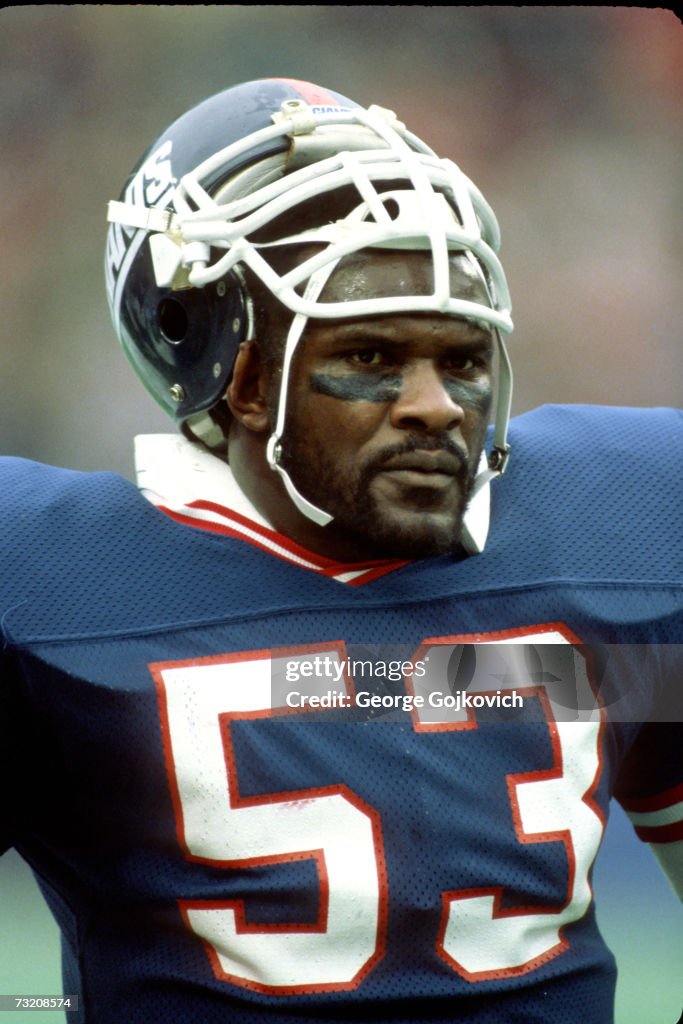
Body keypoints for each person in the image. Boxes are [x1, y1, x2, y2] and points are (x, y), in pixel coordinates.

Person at [1, 77, 681, 1024]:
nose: (435, 404)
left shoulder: (623, 539)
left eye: (463, 359)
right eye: (370, 358)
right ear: (232, 374)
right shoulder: (49, 583)